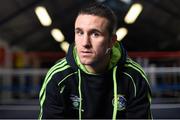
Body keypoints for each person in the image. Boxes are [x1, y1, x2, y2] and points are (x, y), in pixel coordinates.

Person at [39, 2, 152, 119]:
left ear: (112, 41)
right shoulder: (58, 77)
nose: (85, 43)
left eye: (95, 34)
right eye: (79, 32)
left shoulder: (134, 77)